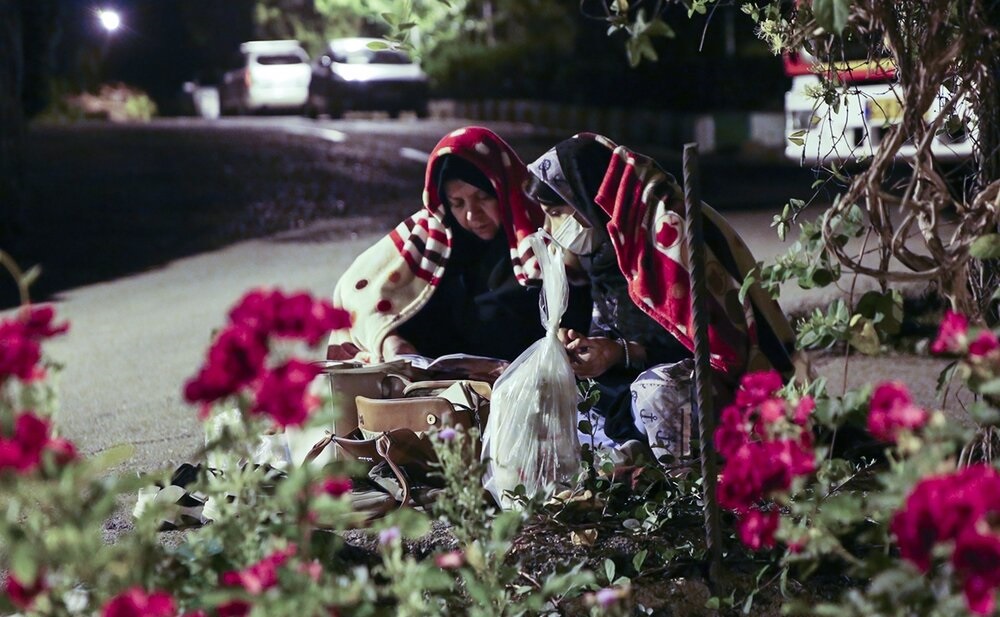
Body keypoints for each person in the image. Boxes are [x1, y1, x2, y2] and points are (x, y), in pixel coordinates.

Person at [524, 132, 798, 465]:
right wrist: (576, 344)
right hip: (628, 385)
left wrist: (623, 353)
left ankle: (690, 489)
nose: (550, 228)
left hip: (716, 392)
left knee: (659, 393)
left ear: (589, 198)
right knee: (542, 390)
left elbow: (715, 348)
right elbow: (598, 324)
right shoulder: (596, 253)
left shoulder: (668, 238)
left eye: (556, 212)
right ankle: (631, 462)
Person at [328, 126, 590, 365]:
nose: (471, 215)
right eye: (457, 203)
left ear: (504, 192)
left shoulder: (544, 247)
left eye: (483, 197)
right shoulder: (429, 239)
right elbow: (357, 290)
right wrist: (388, 340)